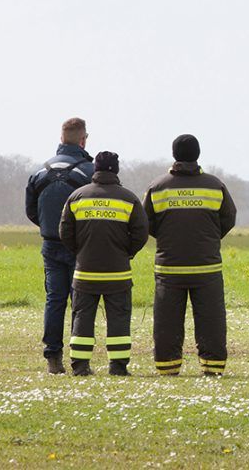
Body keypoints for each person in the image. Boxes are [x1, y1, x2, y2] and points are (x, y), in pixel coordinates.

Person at [143, 134, 237, 376]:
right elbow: (228, 219)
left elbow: (147, 223)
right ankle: (213, 368)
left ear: (174, 155)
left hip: (168, 268)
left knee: (166, 320)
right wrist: (208, 239)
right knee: (211, 320)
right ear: (197, 154)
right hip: (207, 268)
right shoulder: (215, 185)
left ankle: (168, 367)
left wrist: (167, 238)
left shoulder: (157, 187)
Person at [59, 151, 149, 376]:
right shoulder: (128, 199)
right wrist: (126, 252)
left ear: (94, 170)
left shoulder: (77, 197)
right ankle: (117, 367)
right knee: (119, 318)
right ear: (116, 170)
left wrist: (81, 252)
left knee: (82, 316)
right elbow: (141, 233)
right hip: (118, 273)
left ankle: (80, 365)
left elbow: (65, 232)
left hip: (84, 272)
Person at [25, 117, 95, 374]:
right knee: (81, 301)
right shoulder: (89, 171)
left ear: (61, 139)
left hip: (50, 244)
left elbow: (31, 211)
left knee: (54, 300)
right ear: (83, 139)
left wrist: (50, 228)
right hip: (80, 246)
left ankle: (53, 357)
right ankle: (80, 360)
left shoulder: (40, 172)